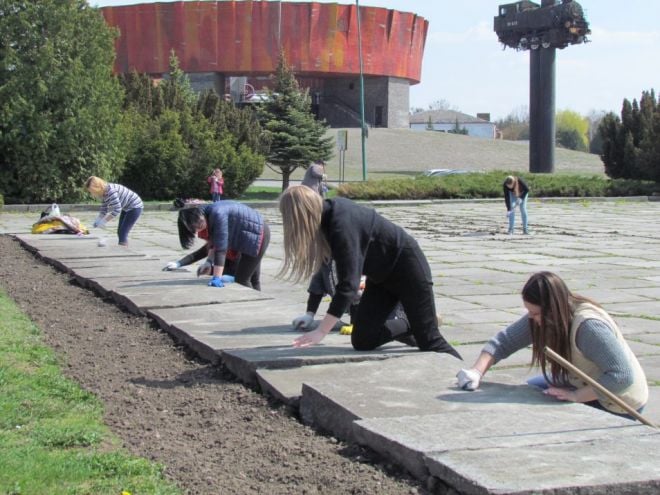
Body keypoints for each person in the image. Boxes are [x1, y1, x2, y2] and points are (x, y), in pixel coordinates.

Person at [278, 185, 461, 358]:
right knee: (363, 340)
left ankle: (472, 378)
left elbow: (348, 286)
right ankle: (413, 322)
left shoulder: (341, 224)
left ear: (300, 216)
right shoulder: (328, 219)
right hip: (382, 279)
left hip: (408, 269)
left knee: (430, 341)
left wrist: (321, 331)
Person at [456, 271, 648, 419]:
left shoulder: (589, 328)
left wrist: (576, 396)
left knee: (539, 404)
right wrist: (476, 371)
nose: (531, 319)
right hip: (580, 382)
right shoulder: (547, 316)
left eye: (535, 313)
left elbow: (622, 376)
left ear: (552, 308)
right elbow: (504, 341)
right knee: (530, 390)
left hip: (619, 400)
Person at [175, 202, 270, 290]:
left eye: (199, 222)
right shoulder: (208, 213)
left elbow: (221, 249)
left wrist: (217, 277)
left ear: (198, 214)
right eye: (194, 227)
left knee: (242, 279)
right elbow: (214, 244)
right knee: (253, 278)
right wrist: (208, 262)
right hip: (251, 233)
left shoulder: (217, 214)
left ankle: (253, 305)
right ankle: (259, 304)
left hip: (258, 234)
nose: (198, 226)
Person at [85, 176, 143, 246]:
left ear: (97, 187)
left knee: (123, 232)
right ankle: (123, 248)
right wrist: (98, 219)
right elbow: (104, 209)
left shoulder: (111, 191)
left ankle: (123, 251)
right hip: (126, 207)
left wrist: (104, 221)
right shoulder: (104, 193)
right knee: (120, 232)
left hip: (135, 207)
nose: (93, 194)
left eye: (93, 191)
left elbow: (117, 209)